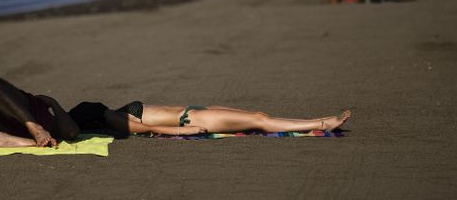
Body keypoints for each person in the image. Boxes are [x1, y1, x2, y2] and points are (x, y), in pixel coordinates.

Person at [69, 100, 350, 136]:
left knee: (257, 116)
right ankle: (322, 123)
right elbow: (150, 128)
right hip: (190, 120)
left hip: (193, 112)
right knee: (259, 118)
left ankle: (318, 120)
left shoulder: (112, 115)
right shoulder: (113, 118)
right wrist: (191, 131)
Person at [0, 73, 79, 148]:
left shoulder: (50, 122)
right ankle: (34, 132)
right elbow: (71, 131)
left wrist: (54, 104)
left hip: (21, 125)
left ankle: (34, 133)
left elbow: (72, 132)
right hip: (19, 121)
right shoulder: (45, 117)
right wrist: (53, 103)